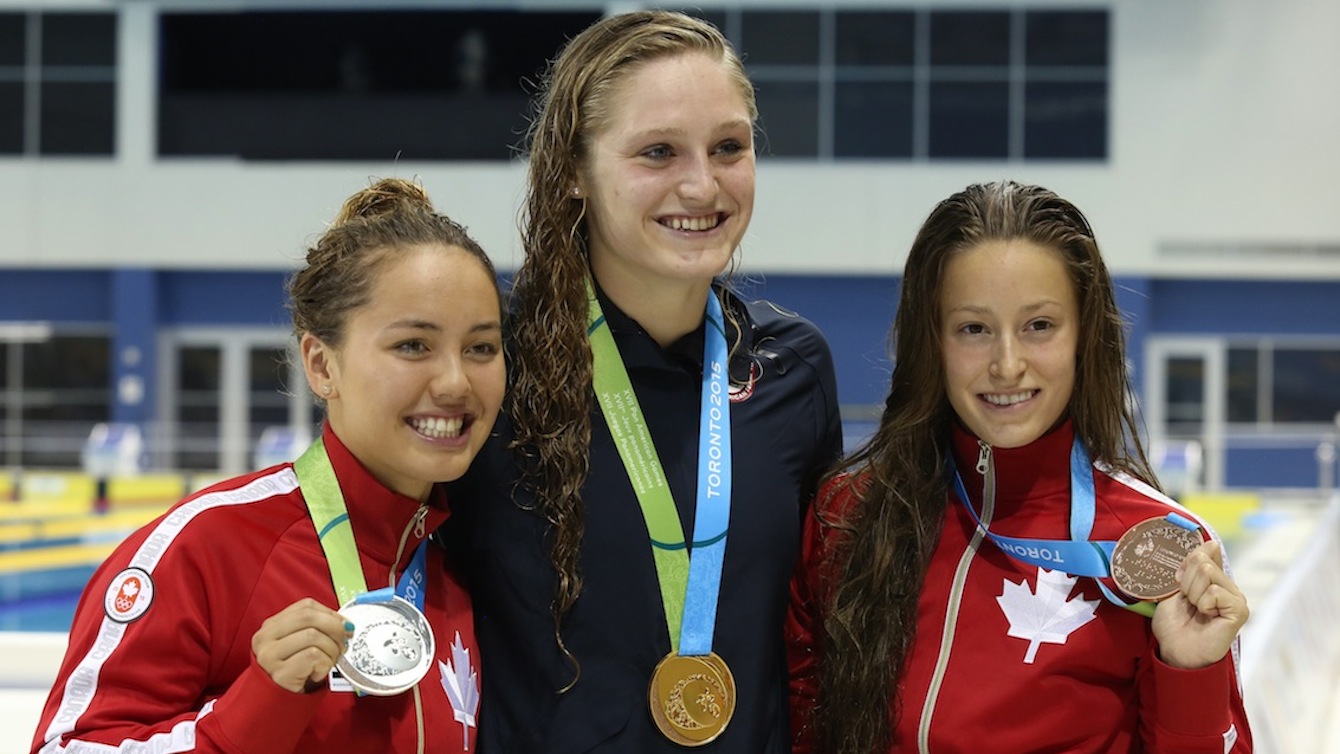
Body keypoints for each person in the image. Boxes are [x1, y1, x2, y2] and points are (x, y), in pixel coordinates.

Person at [445, 10, 843, 752]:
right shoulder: (489, 363)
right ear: (571, 174)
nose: (701, 184)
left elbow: (812, 632)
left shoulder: (793, 370)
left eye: (729, 147)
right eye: (658, 151)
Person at [31, 178, 505, 754]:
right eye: (413, 346)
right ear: (321, 364)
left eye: (481, 348)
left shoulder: (471, 563)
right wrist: (255, 709)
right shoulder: (211, 546)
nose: (456, 382)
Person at [787, 181, 1253, 753]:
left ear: (1085, 335)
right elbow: (801, 725)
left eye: (1039, 325)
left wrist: (1190, 673)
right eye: (974, 329)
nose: (1007, 365)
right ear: (931, 341)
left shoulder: (1159, 551)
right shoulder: (849, 515)